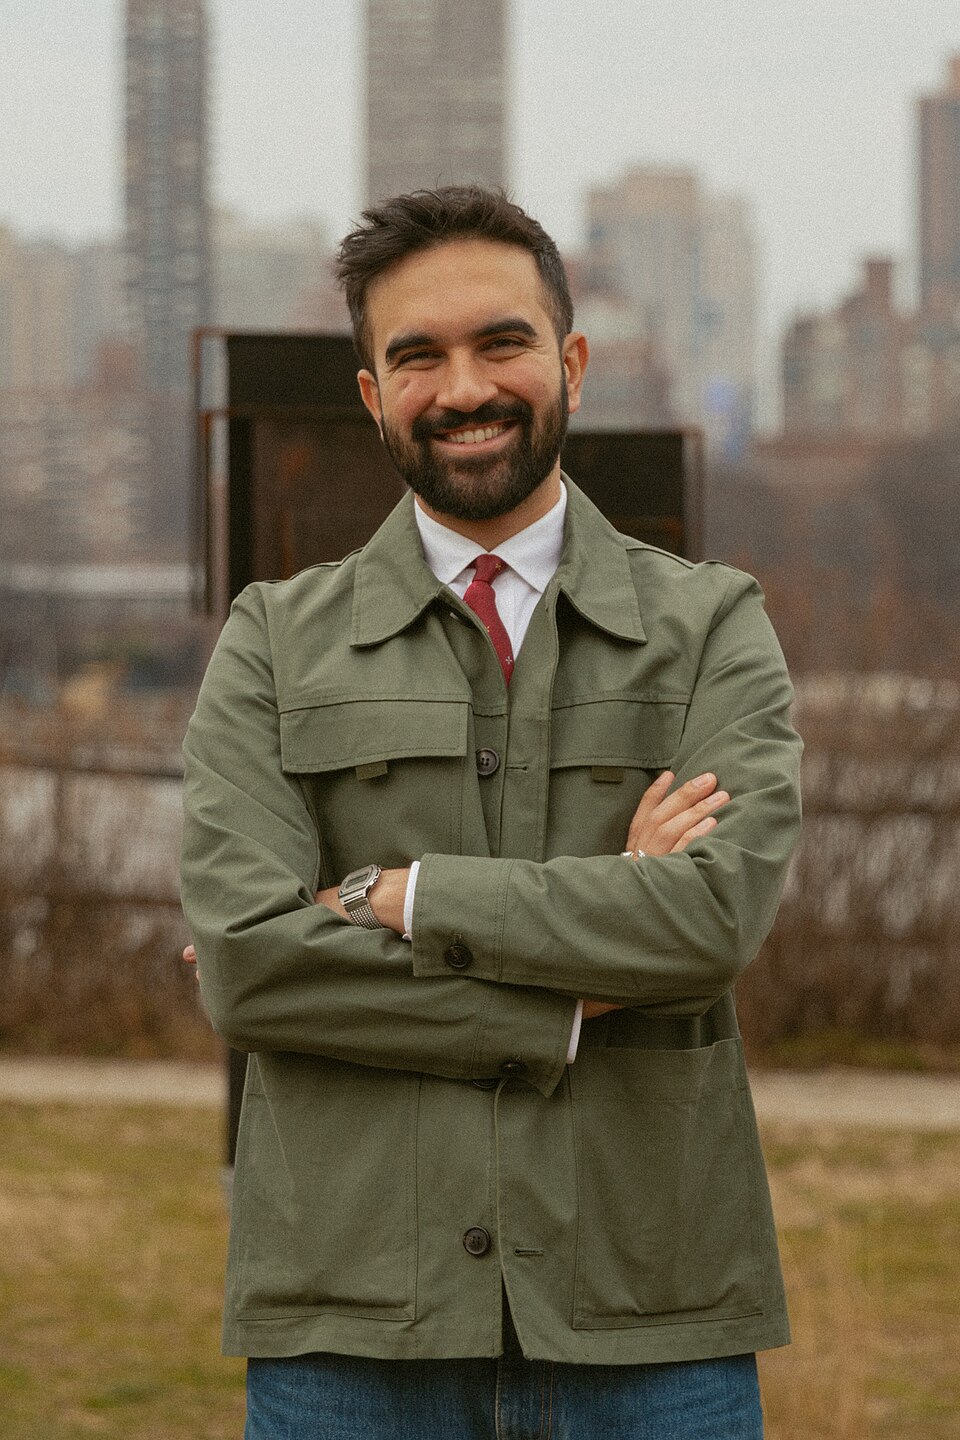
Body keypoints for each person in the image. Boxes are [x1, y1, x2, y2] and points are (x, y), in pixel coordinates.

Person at [180, 185, 802, 1440]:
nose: (463, 387)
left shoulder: (710, 627)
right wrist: (584, 983)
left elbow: (710, 923)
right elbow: (249, 968)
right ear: (372, 394)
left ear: (570, 361)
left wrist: (393, 898)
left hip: (650, 1308)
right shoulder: (272, 642)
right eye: (417, 355)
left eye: (501, 342)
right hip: (349, 1322)